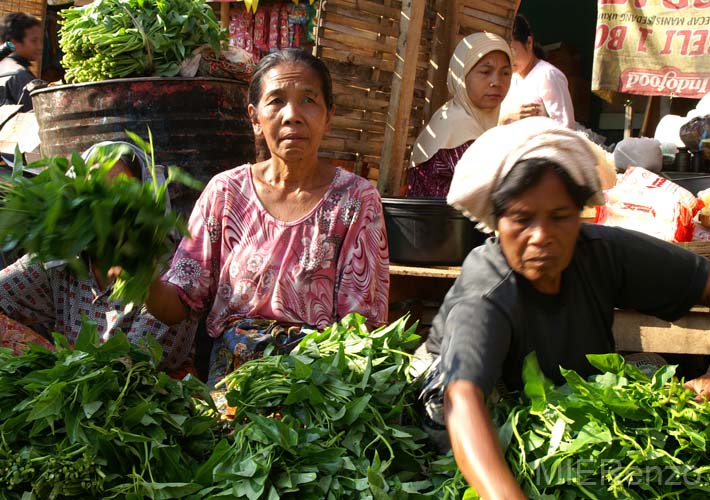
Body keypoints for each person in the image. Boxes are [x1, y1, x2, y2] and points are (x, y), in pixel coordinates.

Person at [415, 117, 710, 499]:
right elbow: (464, 400)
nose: (542, 237)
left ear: (580, 215)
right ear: (498, 223)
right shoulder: (487, 292)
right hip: (473, 430)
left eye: (559, 217)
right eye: (523, 219)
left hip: (573, 416)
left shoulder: (601, 251)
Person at [144, 48, 390, 386]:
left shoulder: (356, 199)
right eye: (275, 101)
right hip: (232, 386)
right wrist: (140, 275)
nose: (292, 115)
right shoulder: (226, 193)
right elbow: (177, 306)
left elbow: (362, 329)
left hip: (318, 383)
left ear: (328, 117)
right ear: (255, 118)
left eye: (308, 100)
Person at [0, 141, 197, 373]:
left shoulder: (167, 273)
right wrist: (39, 353)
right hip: (70, 386)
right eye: (94, 195)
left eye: (120, 196)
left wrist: (64, 360)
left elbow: (134, 363)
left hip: (142, 394)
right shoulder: (61, 262)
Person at [406, 32, 512, 197]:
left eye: (505, 73)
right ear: (462, 76)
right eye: (485, 72)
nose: (497, 82)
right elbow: (493, 194)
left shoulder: (456, 116)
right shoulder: (457, 127)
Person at [498, 14, 575, 129]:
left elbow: (566, 129)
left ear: (529, 43)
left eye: (512, 51)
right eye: (504, 53)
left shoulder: (548, 75)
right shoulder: (510, 78)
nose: (509, 59)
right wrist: (507, 116)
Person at [0, 13, 43, 113]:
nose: (39, 46)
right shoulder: (19, 75)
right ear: (14, 43)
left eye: (40, 40)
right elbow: (37, 114)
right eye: (34, 41)